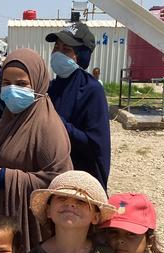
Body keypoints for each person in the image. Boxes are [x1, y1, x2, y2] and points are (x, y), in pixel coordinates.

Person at [0, 48, 73, 252]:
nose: (12, 90)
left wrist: (4, 177)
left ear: (37, 83)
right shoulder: (6, 119)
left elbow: (58, 181)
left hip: (29, 226)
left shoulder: (47, 126)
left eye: (21, 84)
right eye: (6, 83)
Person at [46, 23, 112, 190]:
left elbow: (94, 146)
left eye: (66, 49)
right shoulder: (52, 87)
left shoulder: (92, 90)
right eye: (56, 47)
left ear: (81, 56)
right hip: (51, 176)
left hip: (79, 180)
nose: (58, 53)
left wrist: (58, 123)